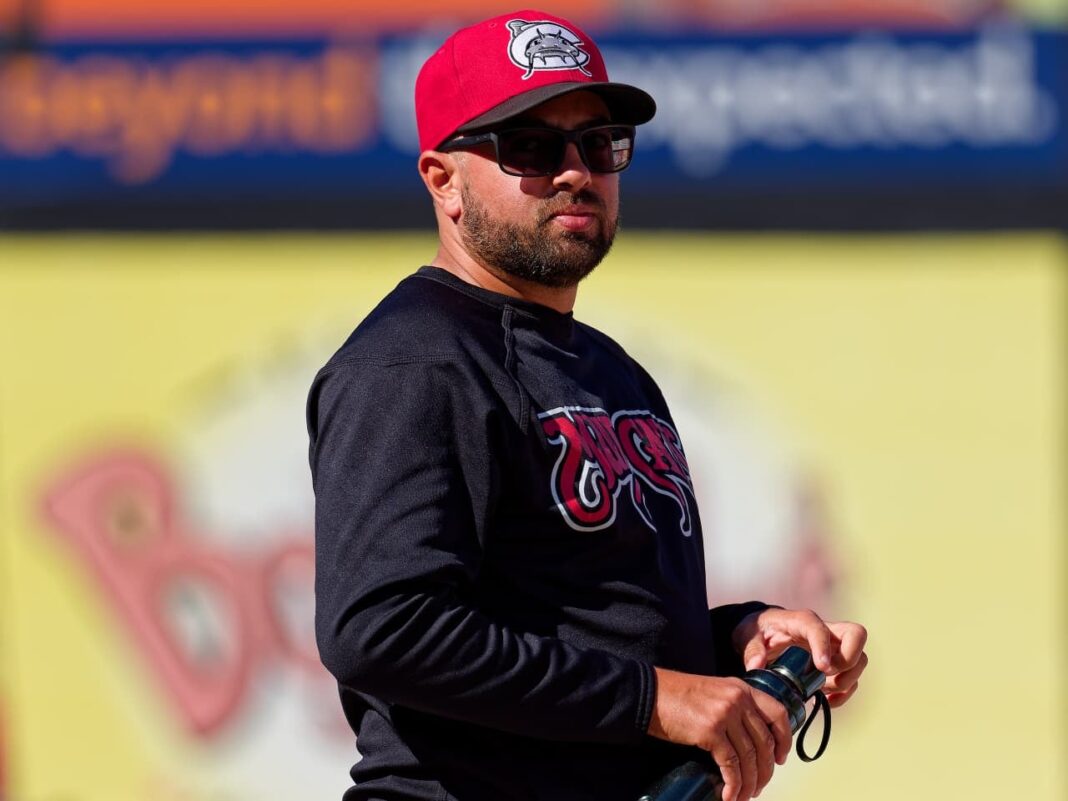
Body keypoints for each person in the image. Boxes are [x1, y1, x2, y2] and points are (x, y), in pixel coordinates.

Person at [307, 9, 868, 801]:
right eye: (531, 146)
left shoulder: (613, 372)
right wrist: (657, 698)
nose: (575, 171)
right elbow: (382, 628)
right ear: (443, 180)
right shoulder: (414, 361)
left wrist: (738, 637)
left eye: (598, 143)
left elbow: (597, 623)